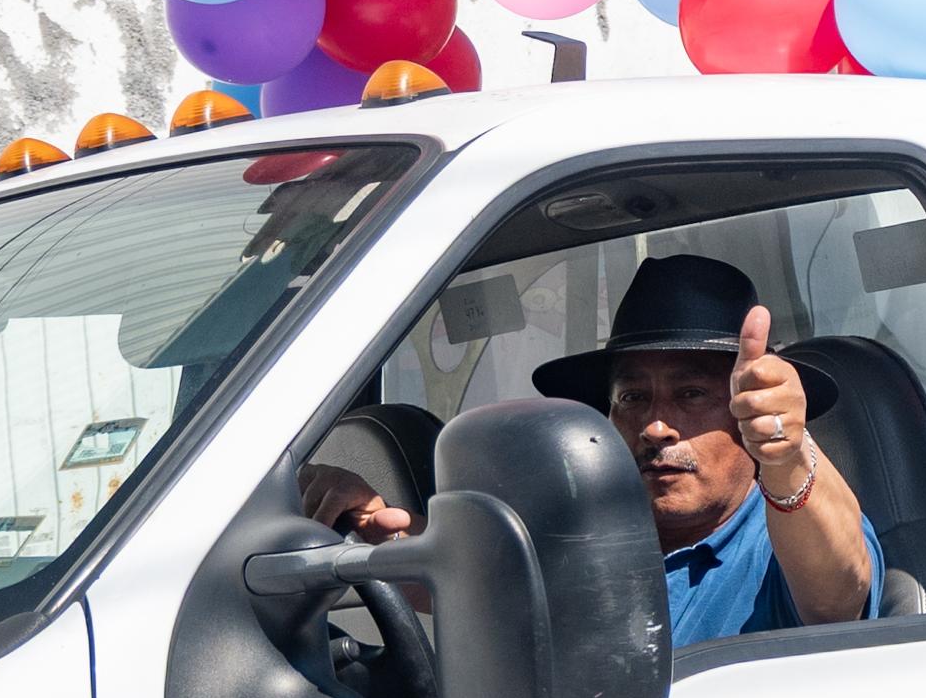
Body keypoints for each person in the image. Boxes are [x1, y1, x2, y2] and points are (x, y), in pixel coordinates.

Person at [308, 251, 883, 643]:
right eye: (632, 398)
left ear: (746, 411)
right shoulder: (586, 535)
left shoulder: (784, 538)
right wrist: (368, 525)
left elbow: (838, 593)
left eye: (691, 394)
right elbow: (481, 586)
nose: (656, 427)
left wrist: (786, 456)